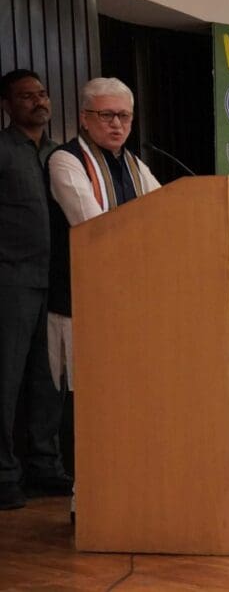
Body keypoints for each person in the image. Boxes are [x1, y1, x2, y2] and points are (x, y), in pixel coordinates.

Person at [46, 78, 161, 492]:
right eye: (106, 115)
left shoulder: (136, 165)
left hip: (131, 300)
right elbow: (96, 226)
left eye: (124, 116)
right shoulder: (66, 160)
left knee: (129, 395)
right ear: (84, 118)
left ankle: (128, 484)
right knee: (88, 399)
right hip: (81, 301)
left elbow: (168, 215)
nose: (116, 124)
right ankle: (89, 492)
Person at [0, 69, 69, 510]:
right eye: (26, 96)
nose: (39, 101)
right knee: (6, 382)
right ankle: (5, 475)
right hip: (11, 280)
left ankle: (45, 467)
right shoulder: (3, 151)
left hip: (58, 283)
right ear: (7, 106)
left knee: (50, 382)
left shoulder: (61, 156)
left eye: (42, 93)